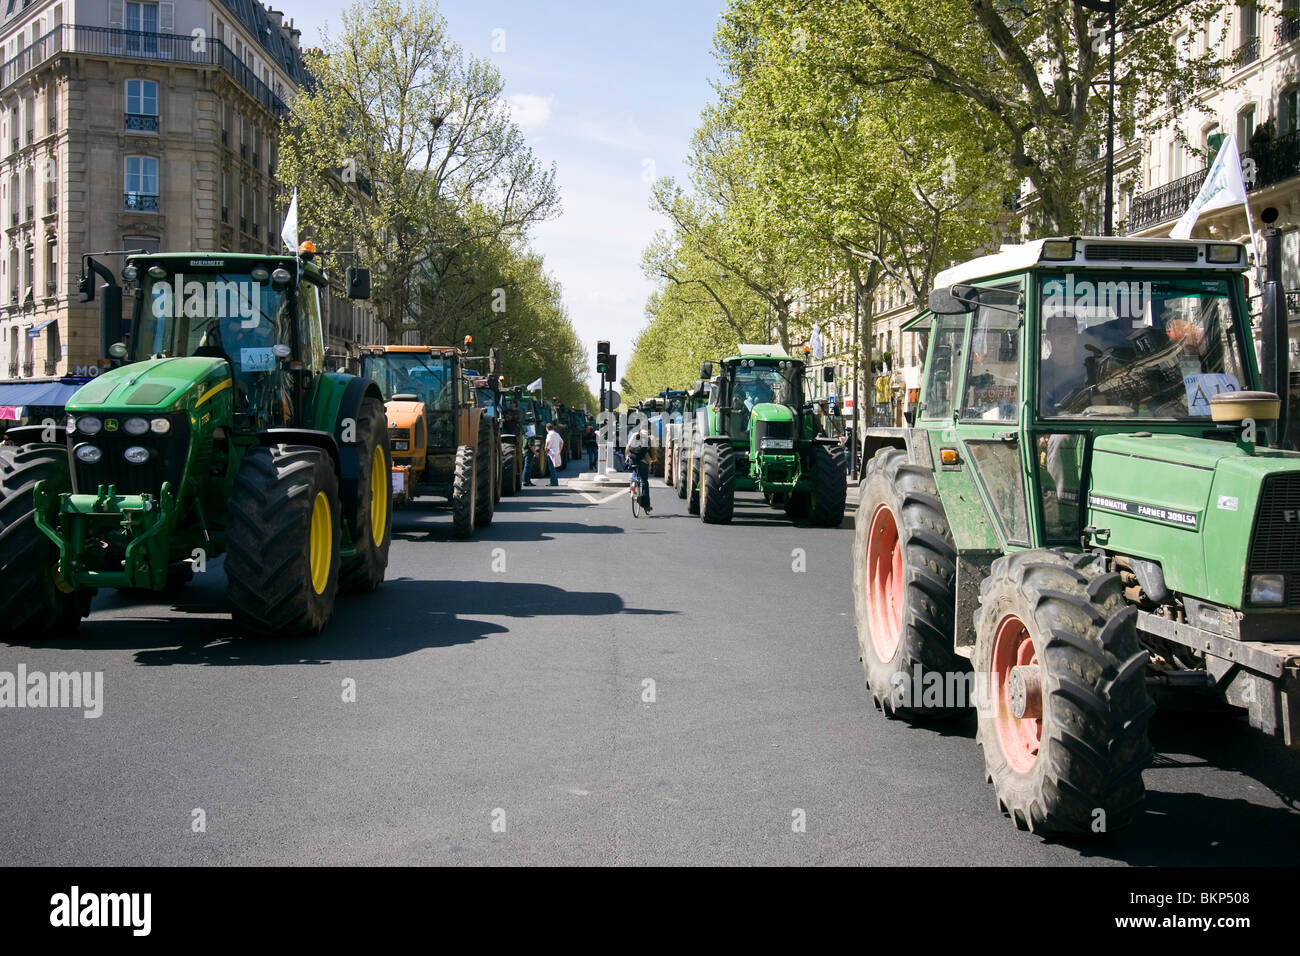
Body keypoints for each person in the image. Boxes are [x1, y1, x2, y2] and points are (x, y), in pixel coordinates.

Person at [1039, 311, 1091, 413]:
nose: (1065, 334)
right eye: (1059, 330)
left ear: (1076, 334)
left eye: (1070, 329)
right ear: (1048, 336)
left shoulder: (1090, 368)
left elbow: (1100, 405)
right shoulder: (1039, 371)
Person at [625, 424, 652, 514]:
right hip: (643, 461)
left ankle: (632, 486)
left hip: (632, 459)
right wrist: (651, 461)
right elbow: (653, 452)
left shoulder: (634, 434)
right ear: (649, 428)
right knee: (644, 481)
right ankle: (646, 505)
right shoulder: (649, 437)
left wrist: (626, 457)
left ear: (640, 427)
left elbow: (628, 446)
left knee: (634, 471)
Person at [544, 422, 564, 487]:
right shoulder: (556, 434)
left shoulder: (549, 434)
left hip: (551, 453)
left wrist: (546, 449)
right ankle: (554, 481)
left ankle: (553, 482)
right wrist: (559, 451)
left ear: (547, 428)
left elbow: (548, 442)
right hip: (556, 453)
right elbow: (562, 442)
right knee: (554, 468)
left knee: (551, 468)